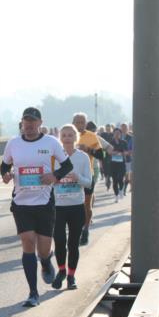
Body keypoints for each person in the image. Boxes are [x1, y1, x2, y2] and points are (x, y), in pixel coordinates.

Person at [0, 107, 73, 307]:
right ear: (22, 123)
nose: (29, 125)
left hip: (44, 202)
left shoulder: (51, 142)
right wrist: (6, 175)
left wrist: (54, 176)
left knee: (43, 248)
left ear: (40, 123)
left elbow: (67, 166)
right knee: (27, 242)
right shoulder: (13, 144)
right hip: (21, 202)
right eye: (26, 121)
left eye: (33, 121)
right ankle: (33, 293)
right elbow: (4, 166)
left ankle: (45, 260)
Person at [52, 124, 93, 290]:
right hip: (58, 206)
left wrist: (77, 178)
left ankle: (71, 276)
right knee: (59, 241)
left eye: (70, 135)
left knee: (73, 243)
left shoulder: (82, 157)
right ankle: (61, 270)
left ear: (76, 138)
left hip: (76, 206)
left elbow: (89, 182)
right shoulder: (54, 157)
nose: (67, 138)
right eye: (64, 135)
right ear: (60, 138)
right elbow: (47, 179)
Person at [71, 113, 105, 246]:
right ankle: (76, 229)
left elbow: (102, 155)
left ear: (85, 124)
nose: (79, 125)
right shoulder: (67, 135)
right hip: (69, 176)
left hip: (87, 174)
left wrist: (88, 149)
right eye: (77, 122)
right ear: (72, 122)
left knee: (86, 204)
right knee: (72, 205)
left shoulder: (91, 136)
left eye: (81, 122)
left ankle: (85, 229)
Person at [107, 127, 127, 201]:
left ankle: (121, 190)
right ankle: (116, 196)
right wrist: (115, 153)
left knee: (120, 179)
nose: (117, 135)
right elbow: (108, 152)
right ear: (113, 134)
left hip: (121, 163)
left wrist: (122, 153)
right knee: (115, 180)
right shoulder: (110, 142)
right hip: (113, 163)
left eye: (118, 133)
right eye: (115, 133)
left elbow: (126, 152)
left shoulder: (124, 142)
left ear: (121, 134)